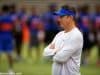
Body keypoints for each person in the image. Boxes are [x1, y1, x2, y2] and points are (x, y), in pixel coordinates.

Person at [43, 5, 83, 75]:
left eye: (61, 17)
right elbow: (45, 53)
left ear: (70, 17)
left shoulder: (76, 35)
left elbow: (61, 58)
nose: (58, 19)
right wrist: (57, 51)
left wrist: (52, 51)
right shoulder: (59, 34)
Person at [0, 4, 15, 73]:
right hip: (9, 37)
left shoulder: (1, 18)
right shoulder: (11, 18)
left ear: (2, 10)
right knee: (9, 54)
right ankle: (11, 70)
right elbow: (13, 29)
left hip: (1, 37)